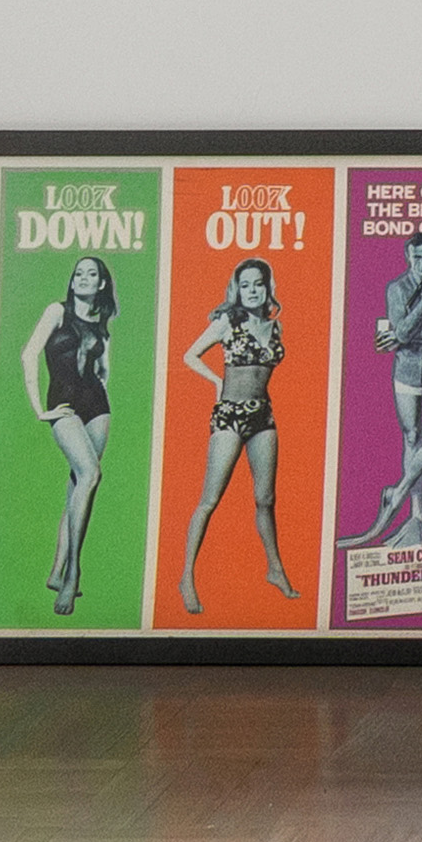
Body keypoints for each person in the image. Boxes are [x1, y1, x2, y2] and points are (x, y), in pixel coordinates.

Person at [176, 250, 291, 614]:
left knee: (266, 499)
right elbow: (190, 355)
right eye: (245, 285)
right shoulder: (227, 322)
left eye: (258, 284)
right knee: (209, 500)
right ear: (237, 290)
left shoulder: (275, 327)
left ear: (267, 288)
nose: (252, 290)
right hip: (229, 415)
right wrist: (216, 382)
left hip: (263, 416)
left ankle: (275, 569)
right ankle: (186, 577)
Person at [27, 241, 129, 617]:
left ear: (101, 284)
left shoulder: (102, 326)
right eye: (79, 273)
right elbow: (28, 354)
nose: (83, 278)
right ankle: (73, 573)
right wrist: (40, 409)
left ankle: (56, 572)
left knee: (78, 487)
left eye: (92, 274)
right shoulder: (57, 311)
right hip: (63, 406)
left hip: (97, 407)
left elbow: (104, 372)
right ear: (72, 282)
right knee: (90, 475)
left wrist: (99, 387)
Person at [350, 229, 422, 550]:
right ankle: (417, 516)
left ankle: (397, 491)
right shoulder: (396, 288)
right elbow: (398, 329)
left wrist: (406, 335)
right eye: (416, 257)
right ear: (407, 257)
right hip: (405, 374)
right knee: (412, 438)